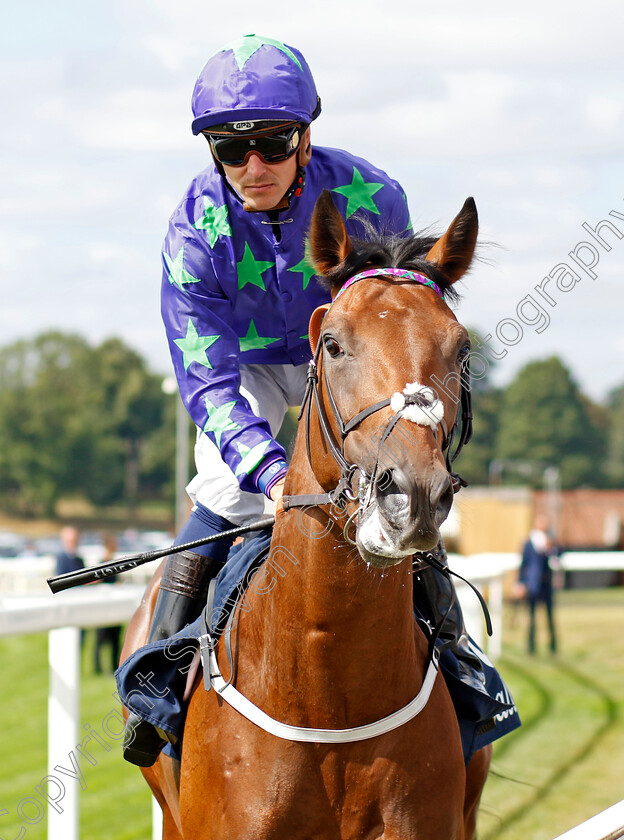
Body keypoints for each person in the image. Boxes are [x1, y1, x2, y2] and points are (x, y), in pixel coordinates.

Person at [123, 33, 485, 766]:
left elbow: (398, 306)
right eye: (231, 149)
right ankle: (158, 689)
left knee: (397, 481)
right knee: (227, 490)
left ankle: (459, 661)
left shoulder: (373, 194)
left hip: (349, 355)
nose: (253, 166)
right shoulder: (193, 232)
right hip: (249, 367)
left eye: (273, 143)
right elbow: (207, 377)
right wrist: (267, 472)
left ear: (306, 136)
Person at [519, 514, 561, 654]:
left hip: (546, 584)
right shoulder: (529, 542)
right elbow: (524, 564)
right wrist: (521, 582)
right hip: (533, 585)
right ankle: (531, 647)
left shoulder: (551, 541)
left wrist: (551, 548)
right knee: (532, 618)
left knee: (550, 617)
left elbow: (557, 557)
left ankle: (553, 646)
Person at [94, 533, 122, 674]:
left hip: (114, 606)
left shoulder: (115, 563)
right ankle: (97, 667)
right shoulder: (102, 563)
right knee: (100, 639)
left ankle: (113, 666)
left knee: (115, 639)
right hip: (104, 607)